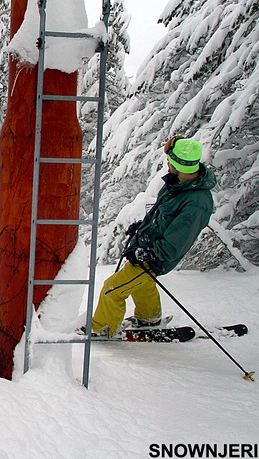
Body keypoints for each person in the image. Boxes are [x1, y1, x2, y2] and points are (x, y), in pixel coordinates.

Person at [82, 136, 216, 337]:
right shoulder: (175, 185)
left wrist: (148, 253)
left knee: (113, 288)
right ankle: (148, 318)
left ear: (180, 164)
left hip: (158, 257)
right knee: (142, 280)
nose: (168, 164)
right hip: (147, 248)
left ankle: (102, 328)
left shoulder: (196, 202)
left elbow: (177, 242)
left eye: (171, 160)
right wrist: (141, 228)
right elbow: (159, 215)